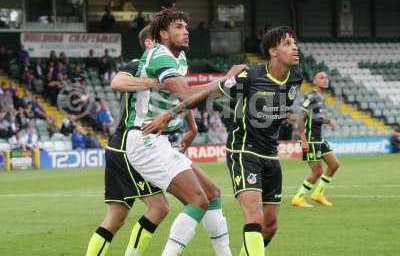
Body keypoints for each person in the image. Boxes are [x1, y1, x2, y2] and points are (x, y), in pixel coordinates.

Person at [142, 26, 303, 256]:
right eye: (287, 43)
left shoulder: (296, 78)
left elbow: (275, 109)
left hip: (271, 155)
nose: (295, 47)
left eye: (294, 42)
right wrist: (170, 114)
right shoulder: (250, 76)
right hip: (244, 152)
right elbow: (207, 94)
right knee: (254, 217)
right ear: (273, 51)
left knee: (270, 226)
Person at [85, 19, 239, 256]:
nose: (185, 32)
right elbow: (117, 82)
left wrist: (192, 125)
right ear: (152, 41)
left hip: (146, 139)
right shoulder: (140, 63)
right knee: (159, 207)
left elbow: (181, 96)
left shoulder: (174, 62)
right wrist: (154, 83)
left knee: (119, 217)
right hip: (133, 140)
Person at [291, 71, 340, 207]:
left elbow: (315, 118)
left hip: (319, 138)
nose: (325, 80)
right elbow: (300, 117)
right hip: (310, 139)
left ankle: (318, 194)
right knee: (317, 171)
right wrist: (303, 140)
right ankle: (298, 198)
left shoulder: (321, 97)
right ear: (314, 81)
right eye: (321, 77)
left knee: (334, 165)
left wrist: (328, 121)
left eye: (326, 77)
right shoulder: (311, 96)